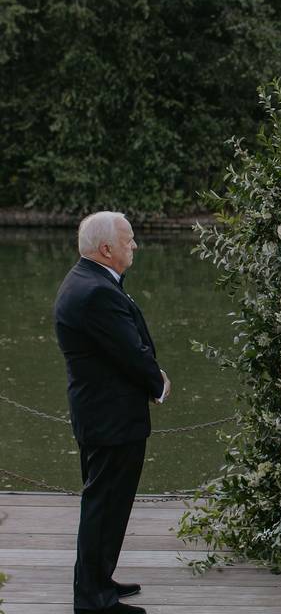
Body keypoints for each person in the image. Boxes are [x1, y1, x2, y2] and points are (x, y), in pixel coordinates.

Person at [54, 211, 171, 614]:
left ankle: (100, 579)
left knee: (106, 505)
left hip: (100, 414)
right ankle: (93, 599)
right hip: (110, 418)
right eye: (128, 239)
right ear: (107, 249)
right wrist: (158, 383)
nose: (134, 245)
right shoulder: (96, 291)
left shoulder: (87, 280)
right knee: (104, 506)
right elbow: (128, 351)